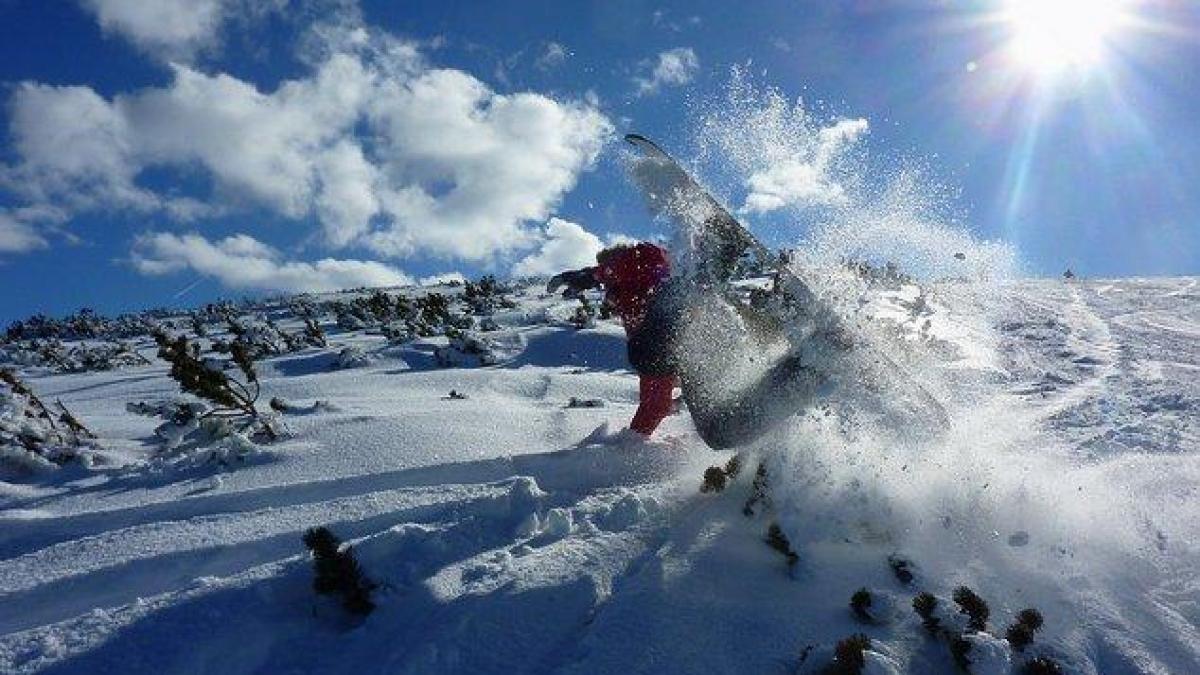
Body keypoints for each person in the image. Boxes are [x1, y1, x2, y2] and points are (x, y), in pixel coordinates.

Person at [547, 242, 679, 438]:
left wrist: (586, 277)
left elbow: (628, 264)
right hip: (657, 345)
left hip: (659, 337)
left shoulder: (636, 259)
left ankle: (632, 445)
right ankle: (634, 441)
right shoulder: (625, 282)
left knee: (656, 402)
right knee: (656, 403)